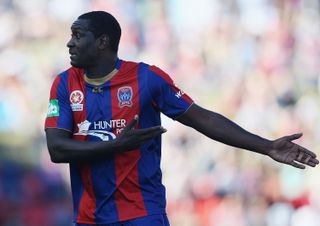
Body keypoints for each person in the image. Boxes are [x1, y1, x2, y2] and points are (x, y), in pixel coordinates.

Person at [44, 11, 319, 226]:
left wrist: (267, 146)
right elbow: (57, 149)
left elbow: (202, 119)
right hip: (89, 217)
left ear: (102, 42)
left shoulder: (147, 79)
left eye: (78, 35)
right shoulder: (65, 84)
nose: (70, 42)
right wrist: (116, 145)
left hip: (143, 214)